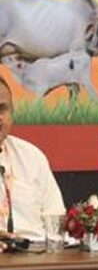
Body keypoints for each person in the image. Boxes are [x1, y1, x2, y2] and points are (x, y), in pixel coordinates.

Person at [0, 75, 65, 247]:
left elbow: (56, 217)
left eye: (2, 109)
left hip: (37, 254)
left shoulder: (31, 157)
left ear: (12, 112)